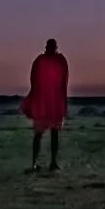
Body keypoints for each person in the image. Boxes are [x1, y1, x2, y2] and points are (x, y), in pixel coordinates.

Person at [20, 38, 69, 172]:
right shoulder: (40, 61)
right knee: (39, 133)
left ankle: (52, 162)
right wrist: (34, 96)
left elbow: (64, 81)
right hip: (43, 101)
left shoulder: (59, 60)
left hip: (54, 101)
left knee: (53, 133)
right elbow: (34, 80)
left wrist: (63, 100)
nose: (51, 48)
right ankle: (35, 163)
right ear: (47, 47)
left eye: (53, 46)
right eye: (50, 46)